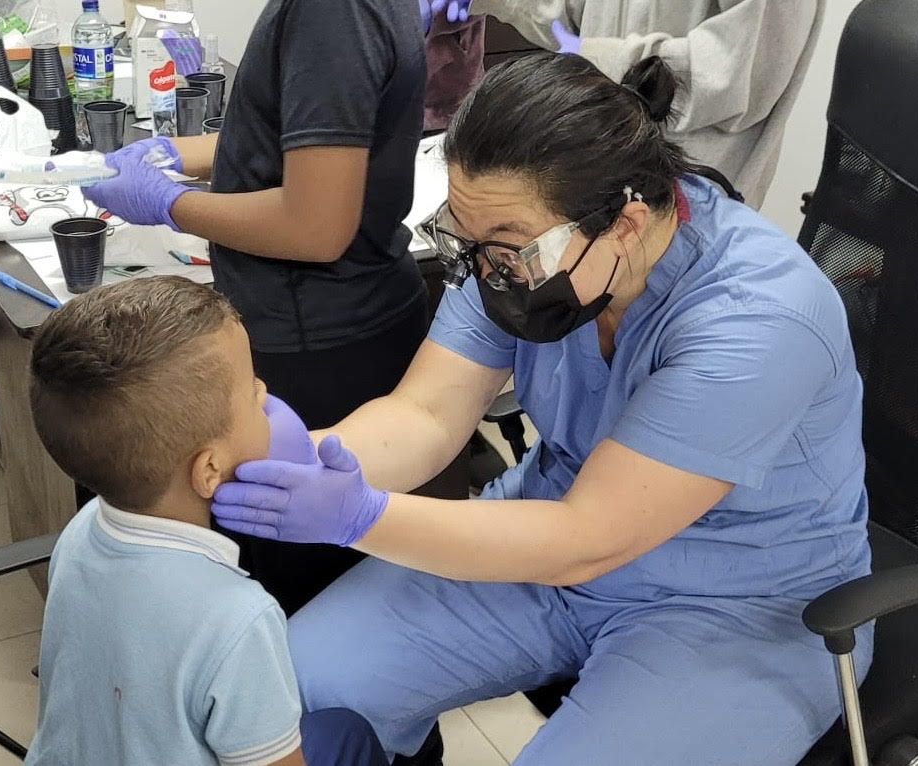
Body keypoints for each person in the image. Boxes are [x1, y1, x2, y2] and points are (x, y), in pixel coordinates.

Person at [208, 54, 874, 764]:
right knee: (278, 693)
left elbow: (589, 537)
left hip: (738, 604)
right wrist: (297, 461)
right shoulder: (519, 250)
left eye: (506, 251)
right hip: (544, 542)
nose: (488, 271)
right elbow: (425, 418)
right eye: (469, 240)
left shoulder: (759, 320)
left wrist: (359, 517)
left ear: (624, 221)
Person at [84, 0, 430, 615]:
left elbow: (316, 225)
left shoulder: (335, 12)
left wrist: (169, 204)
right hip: (334, 323)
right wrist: (177, 152)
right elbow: (314, 143)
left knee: (309, 610)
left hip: (317, 344)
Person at [24, 277, 387, 766]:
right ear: (209, 469)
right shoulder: (238, 619)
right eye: (252, 392)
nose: (265, 392)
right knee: (349, 734)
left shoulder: (82, 531)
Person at [451, 0, 825, 208]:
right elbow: (575, 16)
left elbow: (735, 78)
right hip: (596, 171)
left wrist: (590, 58)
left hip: (687, 197)